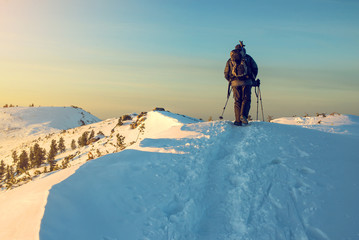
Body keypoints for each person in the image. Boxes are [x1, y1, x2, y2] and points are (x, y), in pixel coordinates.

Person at [224, 41, 258, 126]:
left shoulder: (230, 60)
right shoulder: (248, 58)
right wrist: (252, 78)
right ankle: (243, 116)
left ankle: (238, 120)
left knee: (237, 100)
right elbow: (255, 68)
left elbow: (226, 73)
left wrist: (231, 81)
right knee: (246, 99)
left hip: (235, 82)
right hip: (247, 82)